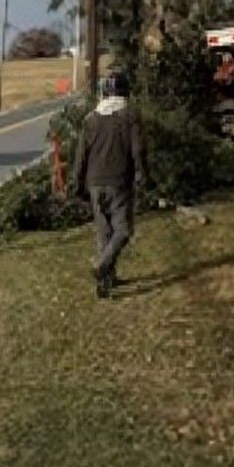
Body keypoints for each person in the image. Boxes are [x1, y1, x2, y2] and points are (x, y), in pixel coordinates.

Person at [72, 70, 146, 298]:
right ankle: (102, 265)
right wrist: (142, 176)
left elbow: (81, 155)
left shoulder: (90, 119)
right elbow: (138, 150)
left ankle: (106, 283)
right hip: (118, 180)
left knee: (104, 233)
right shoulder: (130, 116)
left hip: (94, 182)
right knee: (123, 230)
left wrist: (77, 184)